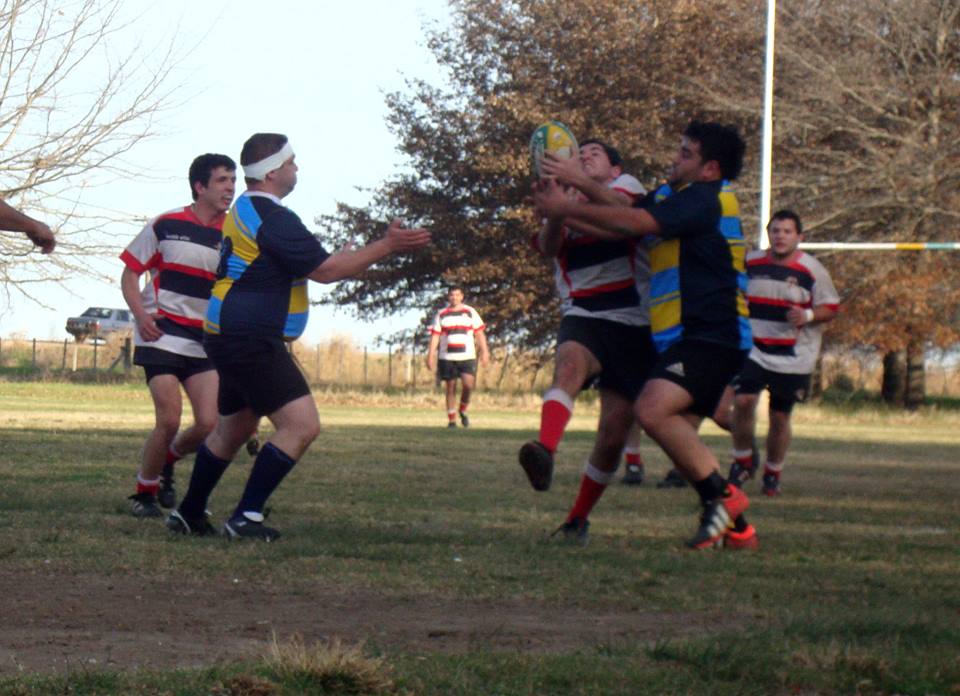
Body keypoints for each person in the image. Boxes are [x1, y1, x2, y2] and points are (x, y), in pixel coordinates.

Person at [167, 133, 430, 540]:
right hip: (250, 337)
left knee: (232, 430)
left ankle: (188, 512)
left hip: (229, 333)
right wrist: (388, 245)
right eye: (292, 162)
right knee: (302, 425)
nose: (297, 168)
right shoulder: (272, 216)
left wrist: (354, 253)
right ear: (273, 171)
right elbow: (326, 271)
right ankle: (246, 517)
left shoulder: (248, 210)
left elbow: (314, 263)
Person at [532, 121, 757, 550]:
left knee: (653, 411)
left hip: (712, 334)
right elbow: (617, 223)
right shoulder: (677, 197)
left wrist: (572, 190)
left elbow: (634, 220)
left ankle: (725, 494)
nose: (675, 158)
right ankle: (739, 528)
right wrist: (563, 210)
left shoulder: (705, 202)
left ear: (709, 169)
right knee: (674, 424)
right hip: (686, 337)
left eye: (686, 154)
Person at [519, 138, 655, 543]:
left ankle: (578, 518)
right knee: (568, 368)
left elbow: (623, 216)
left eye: (596, 153)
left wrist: (568, 204)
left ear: (615, 169)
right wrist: (557, 212)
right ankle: (545, 450)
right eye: (583, 153)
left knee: (612, 435)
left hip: (633, 319)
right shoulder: (564, 195)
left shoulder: (627, 187)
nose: (586, 156)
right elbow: (547, 247)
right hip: (584, 313)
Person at [119, 154, 236, 517]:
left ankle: (167, 460)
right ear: (200, 186)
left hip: (205, 341)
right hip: (162, 334)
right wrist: (141, 316)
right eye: (222, 180)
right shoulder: (165, 224)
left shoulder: (235, 233)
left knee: (208, 424)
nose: (230, 188)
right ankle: (144, 494)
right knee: (169, 419)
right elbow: (129, 274)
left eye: (233, 180)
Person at [718, 210, 839, 496]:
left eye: (787, 231)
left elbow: (831, 307)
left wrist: (808, 315)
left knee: (780, 417)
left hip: (793, 356)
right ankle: (742, 460)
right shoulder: (751, 263)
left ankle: (773, 471)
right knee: (744, 400)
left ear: (800, 237)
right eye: (775, 231)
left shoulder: (813, 270)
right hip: (754, 349)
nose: (780, 236)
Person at [425, 287, 490, 428]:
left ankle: (462, 409)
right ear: (448, 297)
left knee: (468, 385)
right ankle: (452, 420)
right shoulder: (442, 314)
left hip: (467, 356)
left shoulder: (470, 312)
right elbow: (435, 335)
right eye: (452, 295)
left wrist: (484, 351)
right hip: (447, 356)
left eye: (457, 295)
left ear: (462, 296)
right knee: (450, 387)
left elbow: (479, 333)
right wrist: (430, 355)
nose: (454, 297)